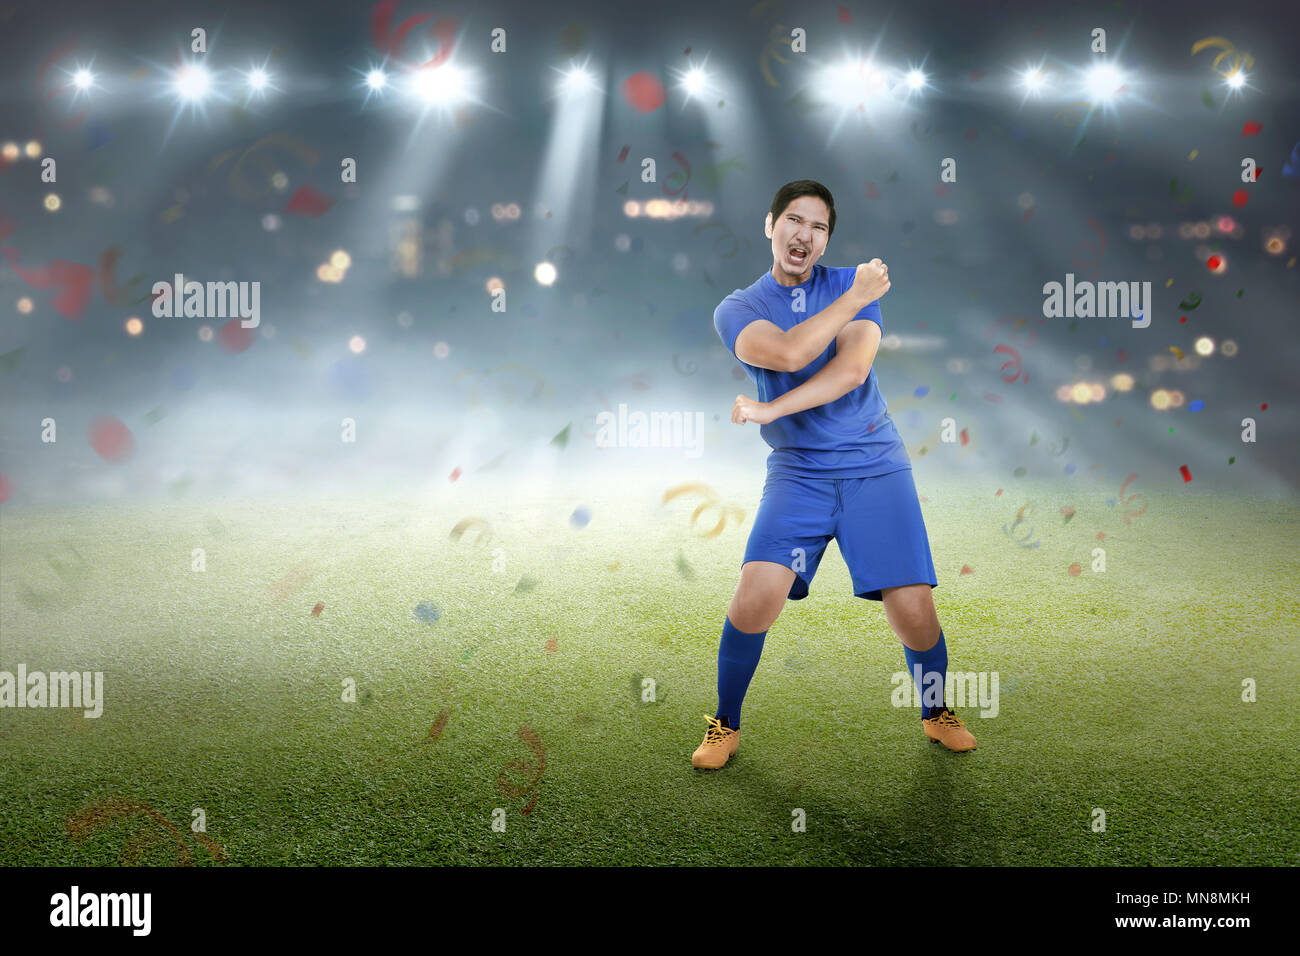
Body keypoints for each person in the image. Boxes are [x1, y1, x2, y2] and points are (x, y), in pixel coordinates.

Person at [693, 179, 977, 770]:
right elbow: (792, 353)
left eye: (819, 227)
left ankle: (935, 710)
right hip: (800, 473)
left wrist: (771, 409)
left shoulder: (853, 284)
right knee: (755, 598)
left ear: (826, 240)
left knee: (913, 610)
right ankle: (726, 723)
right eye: (794, 221)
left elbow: (851, 372)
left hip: (875, 466)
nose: (805, 235)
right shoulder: (738, 309)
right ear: (770, 226)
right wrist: (852, 297)